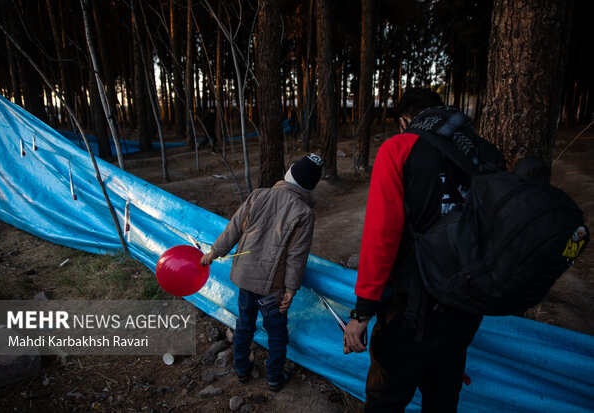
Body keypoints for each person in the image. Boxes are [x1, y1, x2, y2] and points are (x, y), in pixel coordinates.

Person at [343, 88, 504, 412]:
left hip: (412, 310)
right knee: (443, 400)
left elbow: (381, 237)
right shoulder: (485, 153)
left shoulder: (398, 148)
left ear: (406, 120)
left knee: (384, 401)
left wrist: (362, 313)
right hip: (466, 308)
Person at [200, 153, 323, 392]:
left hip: (245, 281)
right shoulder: (304, 213)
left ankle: (241, 369)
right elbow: (296, 256)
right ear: (310, 187)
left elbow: (233, 228)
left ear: (289, 174)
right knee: (276, 331)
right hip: (271, 291)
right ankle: (275, 377)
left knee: (245, 324)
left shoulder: (259, 195)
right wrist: (290, 289)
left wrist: (214, 252)